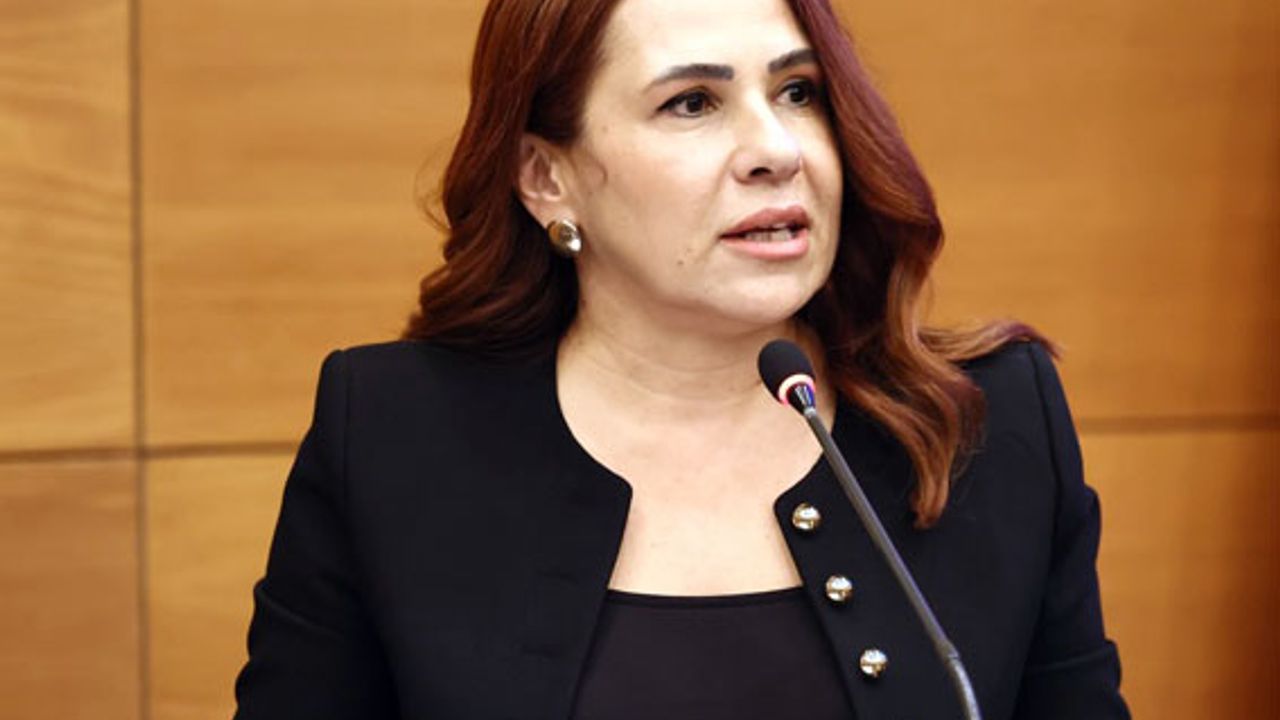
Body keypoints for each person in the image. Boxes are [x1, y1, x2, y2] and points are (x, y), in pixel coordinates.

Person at [234, 0, 1130, 717]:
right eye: (692, 103)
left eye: (799, 92)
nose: (776, 150)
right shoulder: (392, 438)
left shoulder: (988, 424)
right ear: (547, 177)